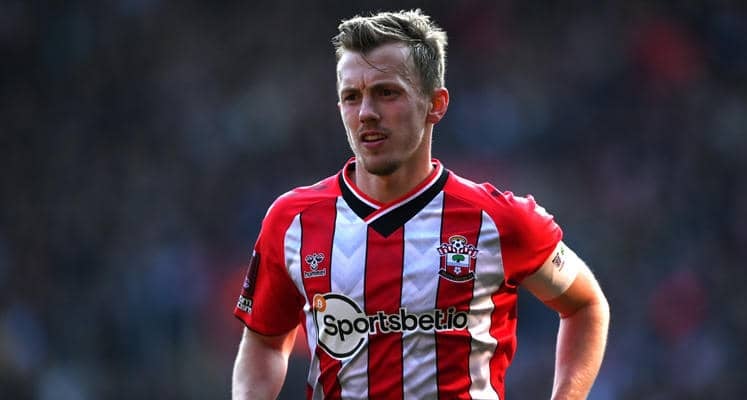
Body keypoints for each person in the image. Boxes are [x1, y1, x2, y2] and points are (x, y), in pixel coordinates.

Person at [232, 9, 609, 400]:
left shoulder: (499, 220)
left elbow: (585, 305)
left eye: (387, 93)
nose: (366, 113)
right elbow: (264, 342)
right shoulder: (292, 221)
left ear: (436, 104)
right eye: (351, 97)